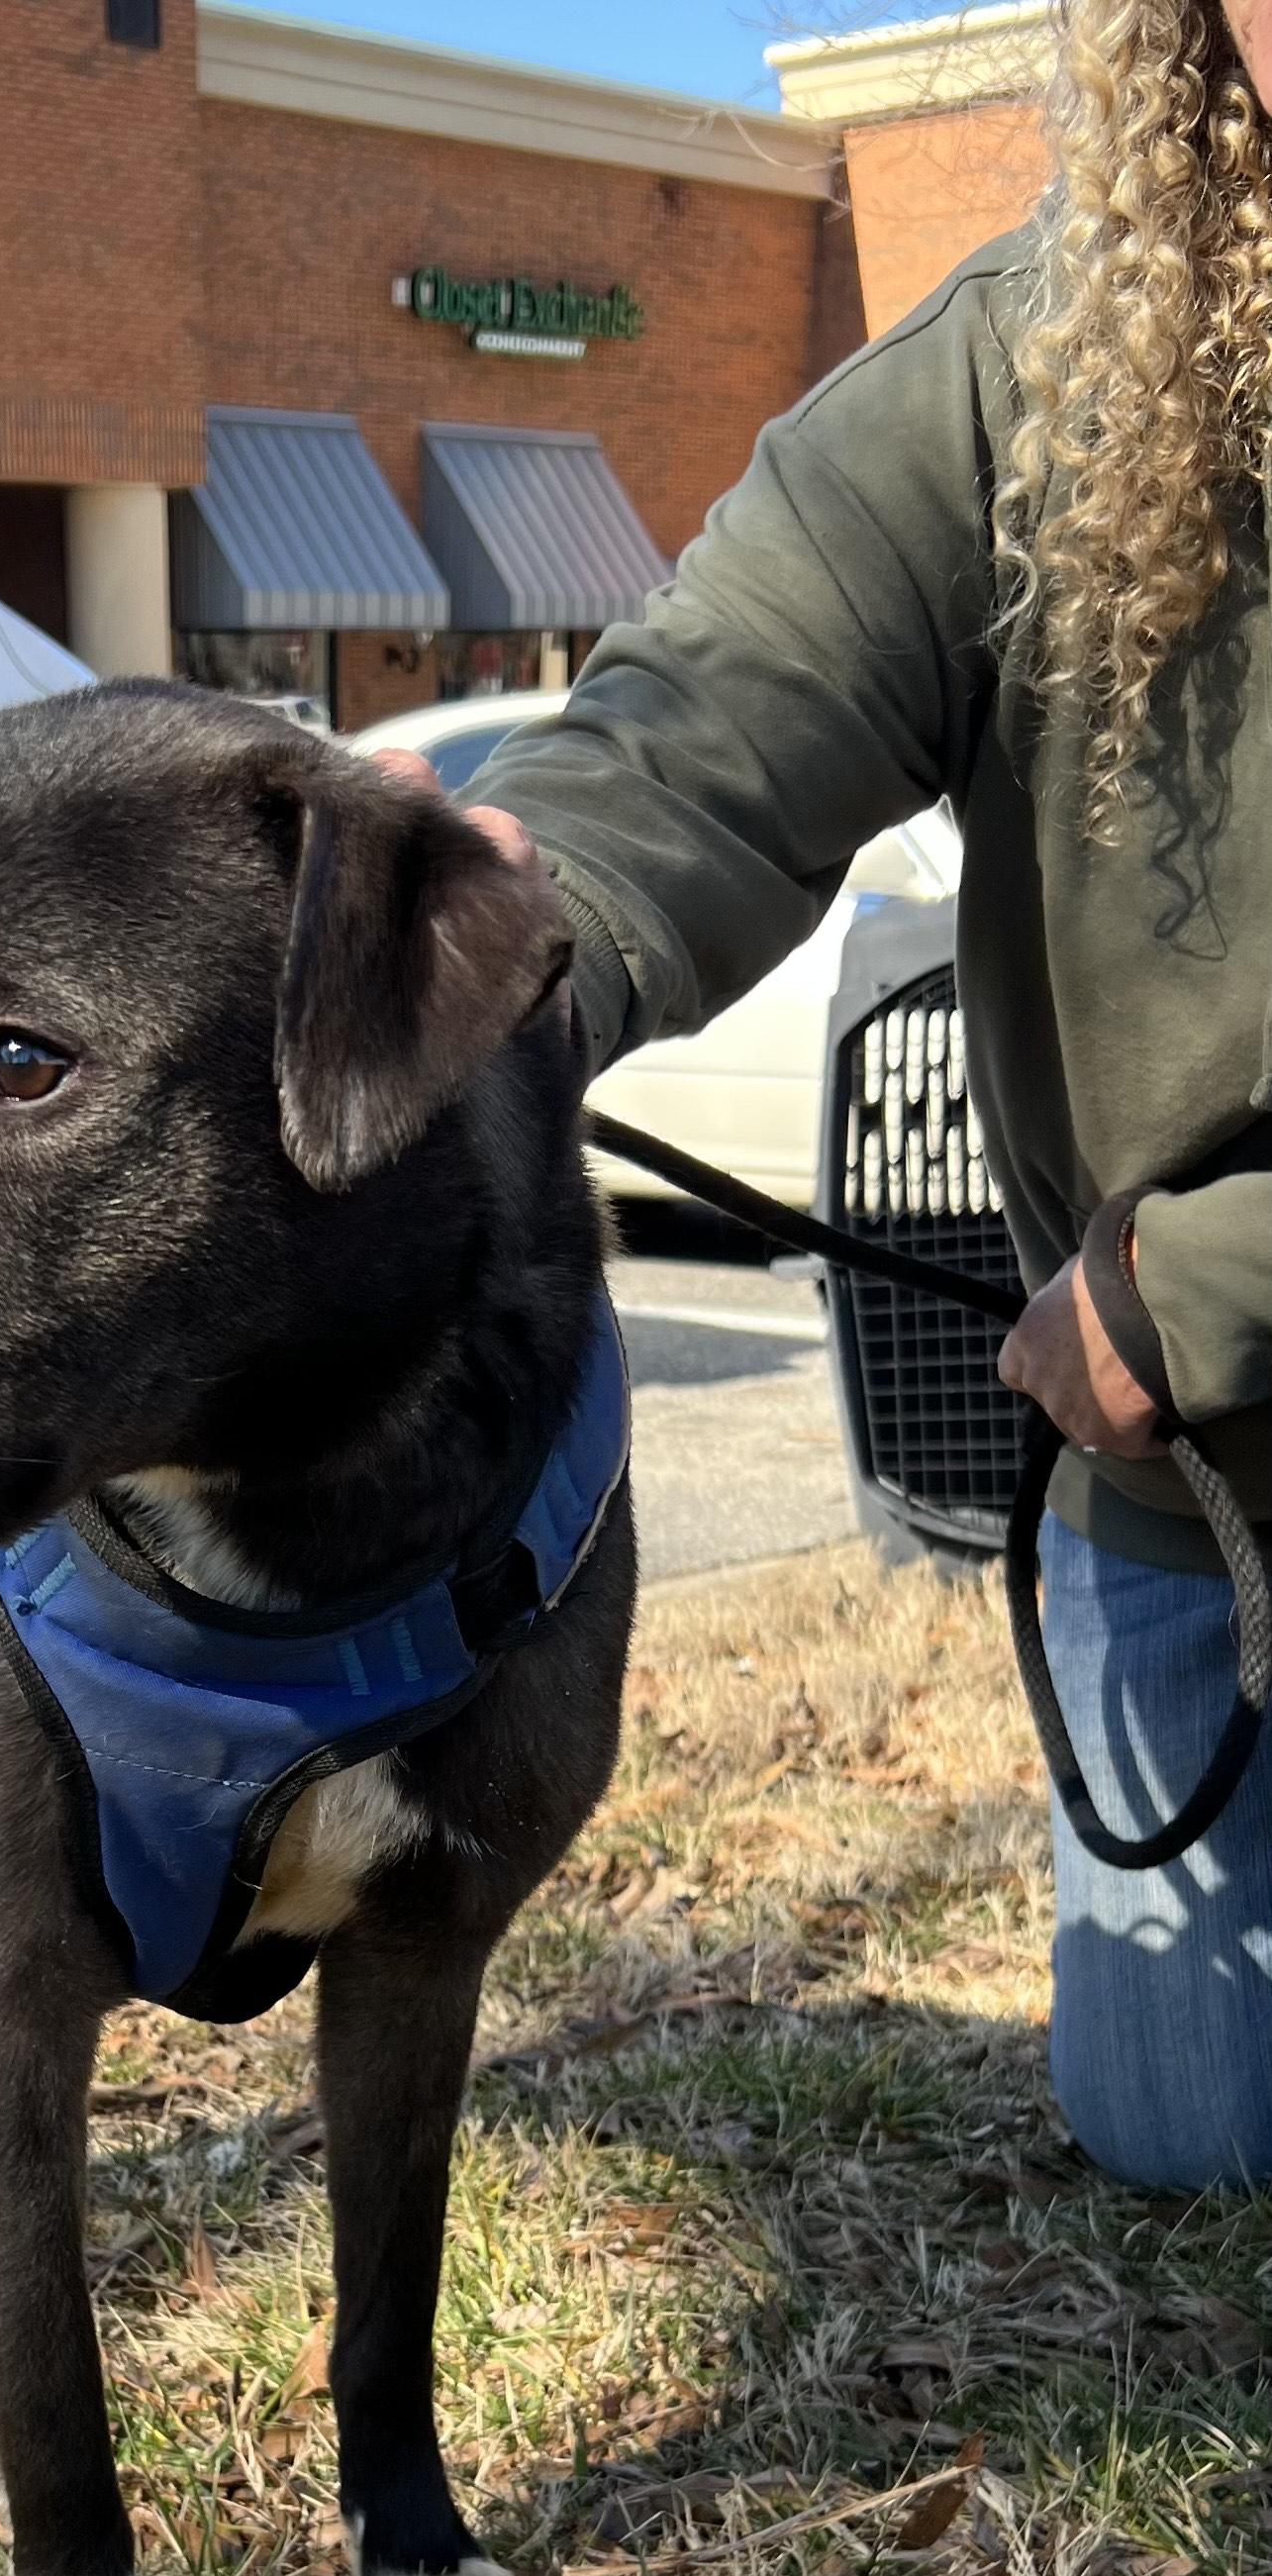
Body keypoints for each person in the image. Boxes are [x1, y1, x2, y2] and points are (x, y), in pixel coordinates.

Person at [455, 0, 1272, 2189]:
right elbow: (704, 727)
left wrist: (1202, 1290)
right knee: (1183, 2133)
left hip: (1198, 1344)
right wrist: (464, 947)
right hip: (1191, 1503)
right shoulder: (1033, 369)